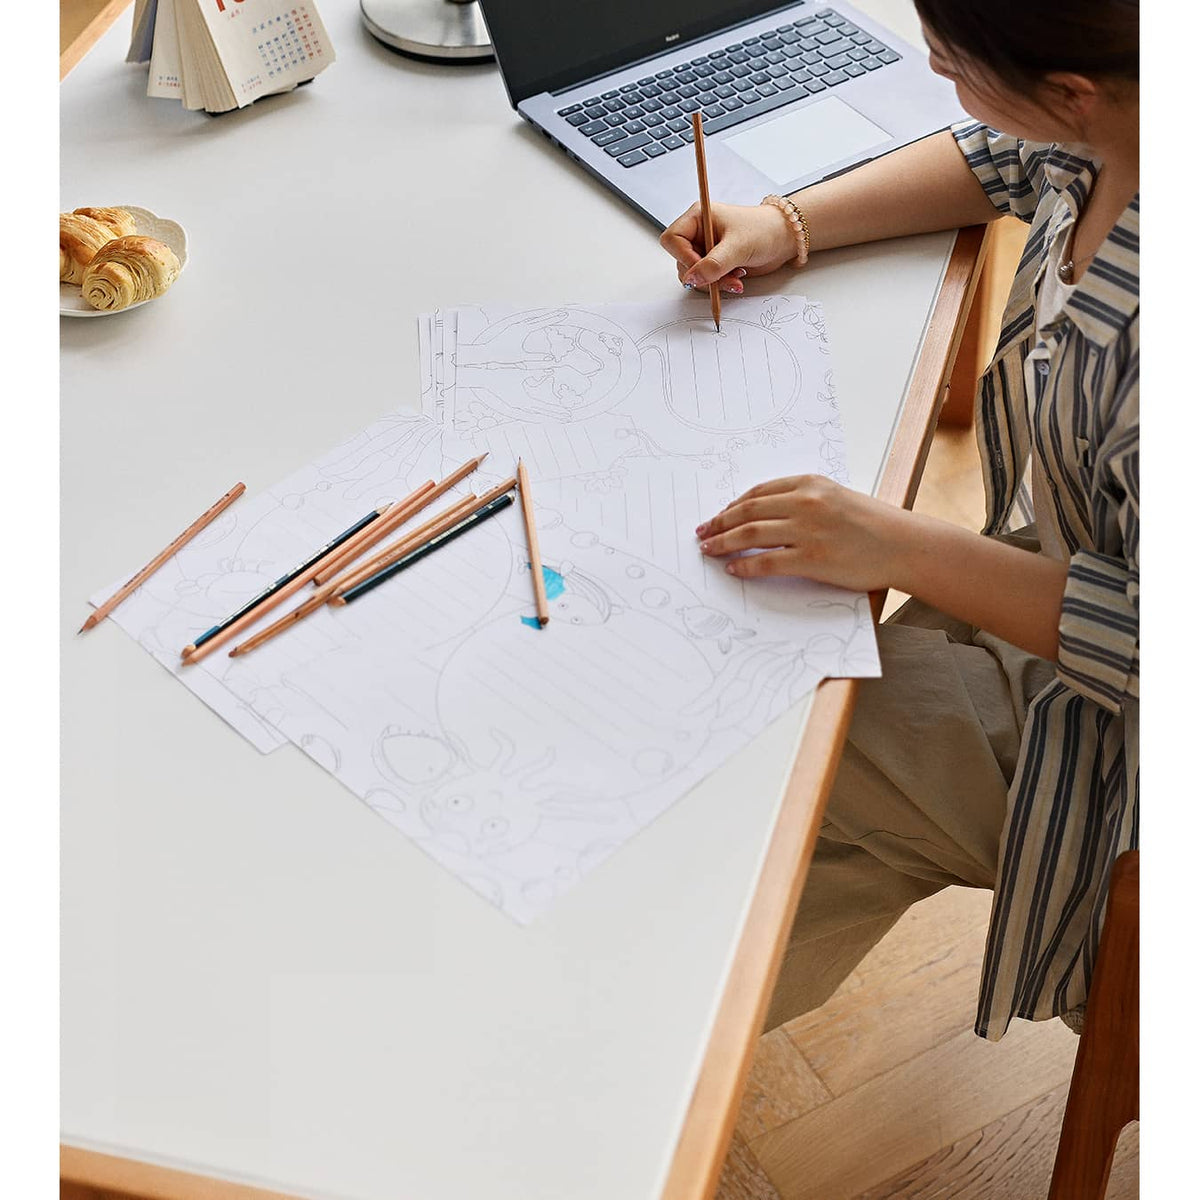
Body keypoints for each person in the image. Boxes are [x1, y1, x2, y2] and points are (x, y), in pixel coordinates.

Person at [659, 0, 1138, 1040]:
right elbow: (997, 156)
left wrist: (893, 541)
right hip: (1072, 573)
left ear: (1070, 91)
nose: (938, 77)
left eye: (953, 62)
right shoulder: (1118, 126)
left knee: (784, 736)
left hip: (1128, 750)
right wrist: (789, 223)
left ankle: (646, 1061)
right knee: (804, 716)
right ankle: (666, 1043)